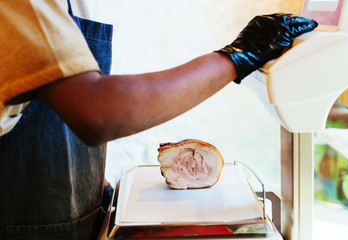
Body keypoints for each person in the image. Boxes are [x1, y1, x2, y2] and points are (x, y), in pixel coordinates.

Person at [0, 0, 318, 239]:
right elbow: (95, 110)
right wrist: (238, 56)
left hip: (78, 216)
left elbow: (46, 112)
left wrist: (99, 191)